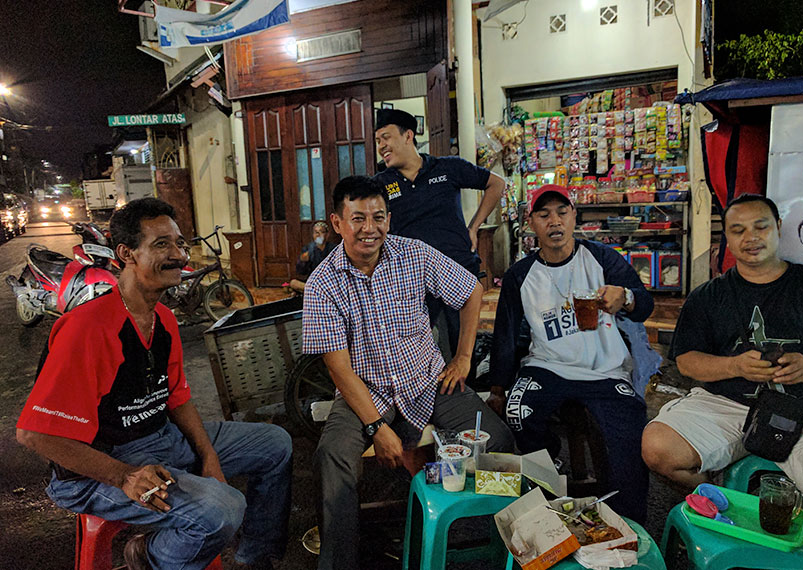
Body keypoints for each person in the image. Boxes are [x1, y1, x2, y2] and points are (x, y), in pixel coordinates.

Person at [15, 198, 293, 570]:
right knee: (223, 508)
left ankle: (253, 556)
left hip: (161, 440)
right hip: (97, 468)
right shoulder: (89, 328)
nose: (178, 255)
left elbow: (176, 397)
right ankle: (148, 555)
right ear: (126, 253)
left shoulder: (163, 318)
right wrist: (124, 476)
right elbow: (36, 435)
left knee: (275, 444)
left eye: (180, 243)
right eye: (161, 244)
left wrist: (208, 455)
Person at [301, 175, 515, 570]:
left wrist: (464, 357)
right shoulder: (322, 284)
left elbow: (470, 291)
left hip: (428, 381)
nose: (370, 229)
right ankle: (340, 560)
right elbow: (340, 370)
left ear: (389, 218)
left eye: (379, 217)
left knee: (498, 439)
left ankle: (499, 544)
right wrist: (376, 428)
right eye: (358, 218)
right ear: (337, 223)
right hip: (366, 393)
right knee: (332, 458)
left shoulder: (413, 254)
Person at [642, 194, 803, 519]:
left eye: (760, 227)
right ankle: (728, 508)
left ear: (777, 228)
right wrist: (733, 365)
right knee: (658, 448)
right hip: (726, 405)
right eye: (738, 230)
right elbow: (687, 361)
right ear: (728, 239)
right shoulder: (707, 297)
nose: (750, 238)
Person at [486, 184, 655, 523]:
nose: (555, 222)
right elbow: (505, 333)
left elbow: (644, 304)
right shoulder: (520, 275)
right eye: (544, 214)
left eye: (562, 212)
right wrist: (498, 388)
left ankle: (628, 523)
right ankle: (550, 487)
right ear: (530, 223)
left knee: (630, 430)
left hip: (604, 368)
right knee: (519, 413)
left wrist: (627, 297)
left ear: (574, 216)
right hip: (546, 366)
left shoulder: (602, 258)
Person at [373, 108, 506, 356]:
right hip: (413, 280)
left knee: (462, 347)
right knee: (417, 348)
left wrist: (474, 226)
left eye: (386, 137)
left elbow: (496, 184)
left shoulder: (447, 168)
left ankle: (465, 393)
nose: (381, 146)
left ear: (407, 136)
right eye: (378, 140)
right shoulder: (380, 183)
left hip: (458, 269)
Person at [289, 221, 336, 293]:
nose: (318, 235)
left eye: (321, 232)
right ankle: (317, 291)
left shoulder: (333, 249)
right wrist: (303, 262)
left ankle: (314, 291)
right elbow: (301, 272)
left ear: (327, 235)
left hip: (329, 282)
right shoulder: (308, 248)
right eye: (316, 232)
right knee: (293, 283)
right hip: (313, 282)